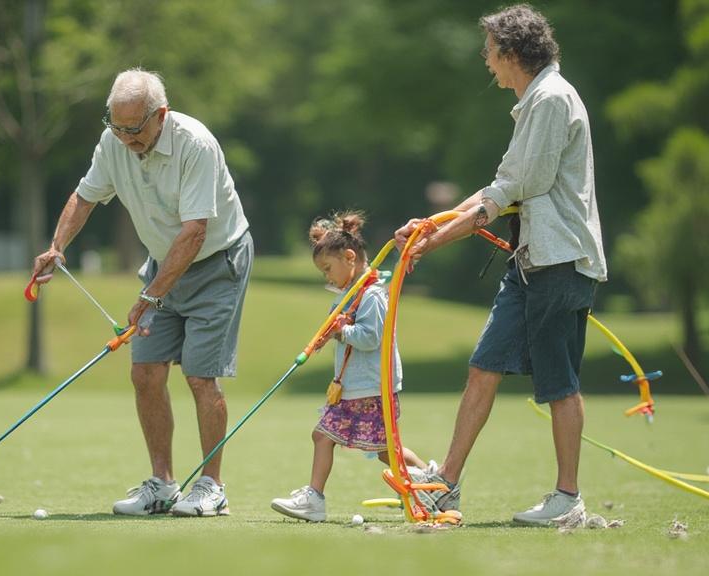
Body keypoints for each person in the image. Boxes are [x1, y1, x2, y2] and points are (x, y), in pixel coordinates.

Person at [395, 4, 607, 526]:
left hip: (560, 262)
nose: (486, 61)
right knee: (483, 366)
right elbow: (503, 182)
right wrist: (434, 222)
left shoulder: (551, 100)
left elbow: (515, 190)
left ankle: (567, 500)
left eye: (490, 52)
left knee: (559, 382)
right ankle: (445, 484)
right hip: (530, 260)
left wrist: (436, 239)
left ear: (512, 54)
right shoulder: (535, 102)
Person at [31, 68, 253, 518]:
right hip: (163, 262)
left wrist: (150, 296)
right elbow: (85, 195)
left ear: (161, 115)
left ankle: (212, 486)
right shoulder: (113, 141)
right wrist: (57, 246)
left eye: (134, 128)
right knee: (145, 373)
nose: (125, 137)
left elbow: (194, 233)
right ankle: (163, 484)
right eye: (116, 125)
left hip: (217, 263)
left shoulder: (195, 144)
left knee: (199, 375)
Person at [270, 211, 435, 522]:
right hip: (351, 388)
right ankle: (316, 498)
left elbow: (371, 338)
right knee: (327, 437)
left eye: (328, 269)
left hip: (371, 387)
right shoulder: (348, 295)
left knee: (387, 450)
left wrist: (341, 332)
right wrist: (328, 335)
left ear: (349, 257)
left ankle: (428, 484)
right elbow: (342, 330)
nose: (327, 277)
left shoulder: (371, 295)